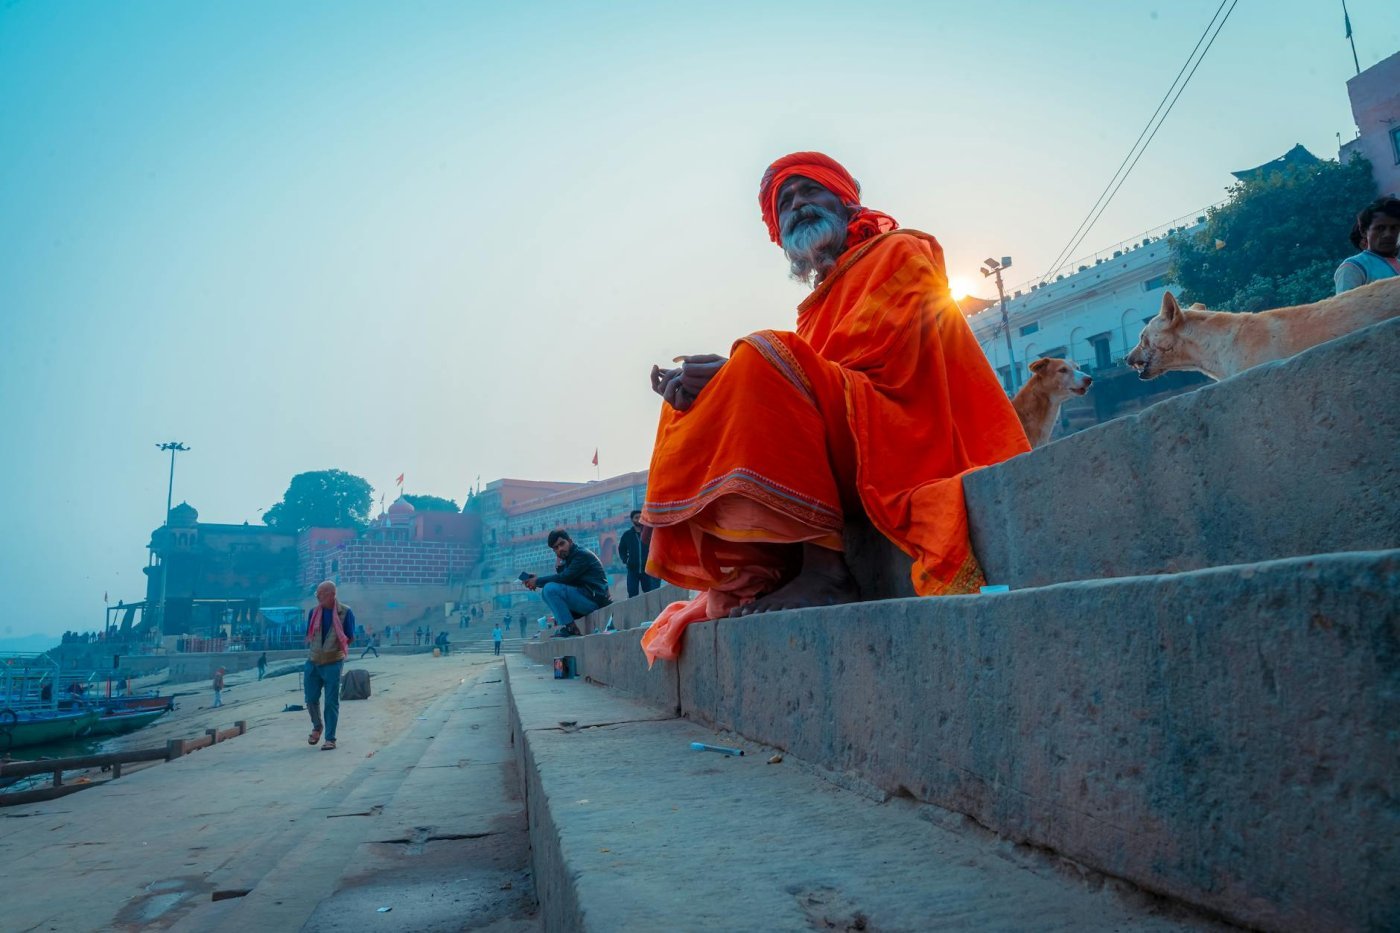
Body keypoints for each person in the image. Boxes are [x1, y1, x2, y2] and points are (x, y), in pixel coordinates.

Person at [639, 152, 1029, 665]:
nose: (798, 204)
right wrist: (713, 389)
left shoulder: (900, 250)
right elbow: (809, 376)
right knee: (689, 406)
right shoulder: (817, 304)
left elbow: (881, 362)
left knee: (760, 352)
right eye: (785, 201)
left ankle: (826, 572)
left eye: (809, 190)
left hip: (906, 425)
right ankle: (762, 569)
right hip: (849, 431)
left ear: (845, 200)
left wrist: (743, 368)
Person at [521, 530, 613, 637]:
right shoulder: (567, 560)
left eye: (562, 544)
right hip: (585, 599)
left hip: (595, 601)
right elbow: (565, 581)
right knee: (546, 592)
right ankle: (567, 626)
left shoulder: (581, 555)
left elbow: (564, 578)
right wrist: (537, 580)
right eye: (556, 548)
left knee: (549, 589)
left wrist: (536, 581)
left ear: (570, 541)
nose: (560, 549)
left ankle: (571, 629)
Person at [305, 580, 355, 750]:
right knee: (310, 698)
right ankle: (317, 726)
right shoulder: (313, 612)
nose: (318, 597)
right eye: (317, 594)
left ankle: (330, 738)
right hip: (313, 661)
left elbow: (350, 637)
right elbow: (310, 635)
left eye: (321, 594)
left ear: (332, 595)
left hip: (333, 663)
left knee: (331, 701)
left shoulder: (345, 612)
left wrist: (335, 647)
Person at [1335, 196, 1400, 294]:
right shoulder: (1353, 267)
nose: (1388, 234)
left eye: (1394, 228)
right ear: (1364, 231)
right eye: (1380, 228)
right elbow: (1345, 303)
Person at [619, 510, 659, 598]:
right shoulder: (627, 535)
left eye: (640, 517)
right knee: (632, 593)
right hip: (633, 570)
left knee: (649, 592)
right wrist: (626, 560)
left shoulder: (648, 533)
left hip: (647, 569)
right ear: (632, 520)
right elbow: (621, 549)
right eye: (636, 518)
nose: (639, 519)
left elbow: (656, 545)